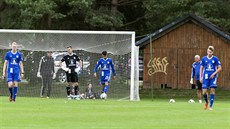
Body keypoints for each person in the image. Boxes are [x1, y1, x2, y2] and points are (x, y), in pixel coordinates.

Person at [200, 46, 221, 110]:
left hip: (213, 77)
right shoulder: (203, 58)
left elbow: (220, 68)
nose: (209, 53)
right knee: (204, 92)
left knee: (212, 90)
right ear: (207, 51)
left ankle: (211, 106)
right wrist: (200, 77)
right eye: (208, 52)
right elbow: (201, 68)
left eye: (211, 52)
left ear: (212, 52)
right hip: (205, 77)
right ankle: (207, 102)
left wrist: (214, 73)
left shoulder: (215, 59)